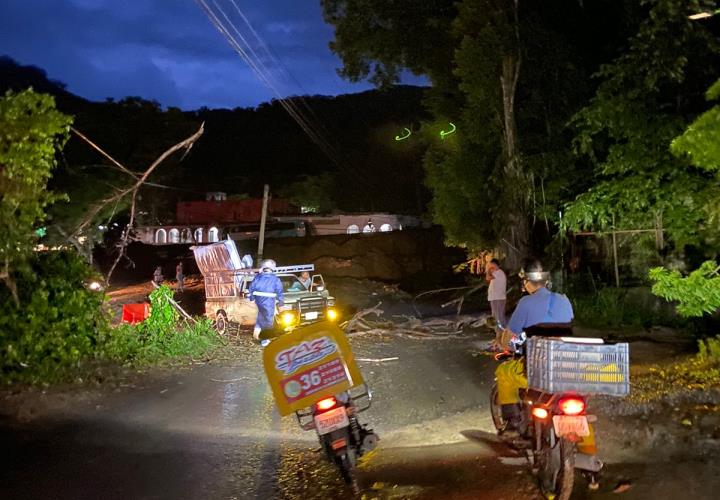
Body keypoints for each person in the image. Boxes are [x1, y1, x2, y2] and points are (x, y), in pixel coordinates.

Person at [494, 259, 574, 435]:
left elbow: (509, 337)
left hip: (538, 370)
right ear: (546, 281)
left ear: (527, 282)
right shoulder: (564, 301)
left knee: (504, 373)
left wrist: (502, 342)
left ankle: (513, 424)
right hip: (567, 368)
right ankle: (589, 451)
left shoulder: (525, 303)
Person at [248, 259, 284, 344]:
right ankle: (265, 340)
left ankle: (256, 335)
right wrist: (281, 304)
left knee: (260, 317)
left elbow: (251, 288)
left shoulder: (257, 277)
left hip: (258, 301)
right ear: (272, 268)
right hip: (268, 302)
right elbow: (280, 292)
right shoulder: (275, 279)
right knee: (268, 320)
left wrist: (252, 299)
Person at [486, 258, 507, 341]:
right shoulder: (496, 273)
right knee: (495, 317)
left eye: (491, 265)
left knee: (499, 317)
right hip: (495, 298)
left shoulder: (499, 273)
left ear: (495, 264)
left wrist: (488, 270)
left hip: (498, 298)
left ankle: (502, 338)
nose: (490, 267)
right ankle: (498, 337)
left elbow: (488, 277)